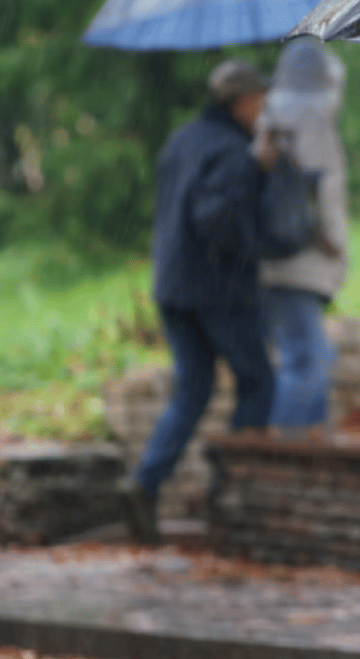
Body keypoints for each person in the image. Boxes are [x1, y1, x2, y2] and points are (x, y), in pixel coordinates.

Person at [120, 58, 280, 544]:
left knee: (193, 388)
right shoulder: (234, 150)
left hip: (171, 286)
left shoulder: (181, 139)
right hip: (217, 290)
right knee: (257, 382)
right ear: (241, 102)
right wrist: (258, 175)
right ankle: (232, 490)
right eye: (260, 98)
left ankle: (145, 483)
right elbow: (217, 218)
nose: (264, 107)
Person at [258, 37, 350, 435]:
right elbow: (313, 192)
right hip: (297, 261)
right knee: (306, 361)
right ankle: (282, 453)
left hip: (287, 261)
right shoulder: (308, 118)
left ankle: (311, 448)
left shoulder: (270, 116)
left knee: (316, 358)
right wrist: (323, 237)